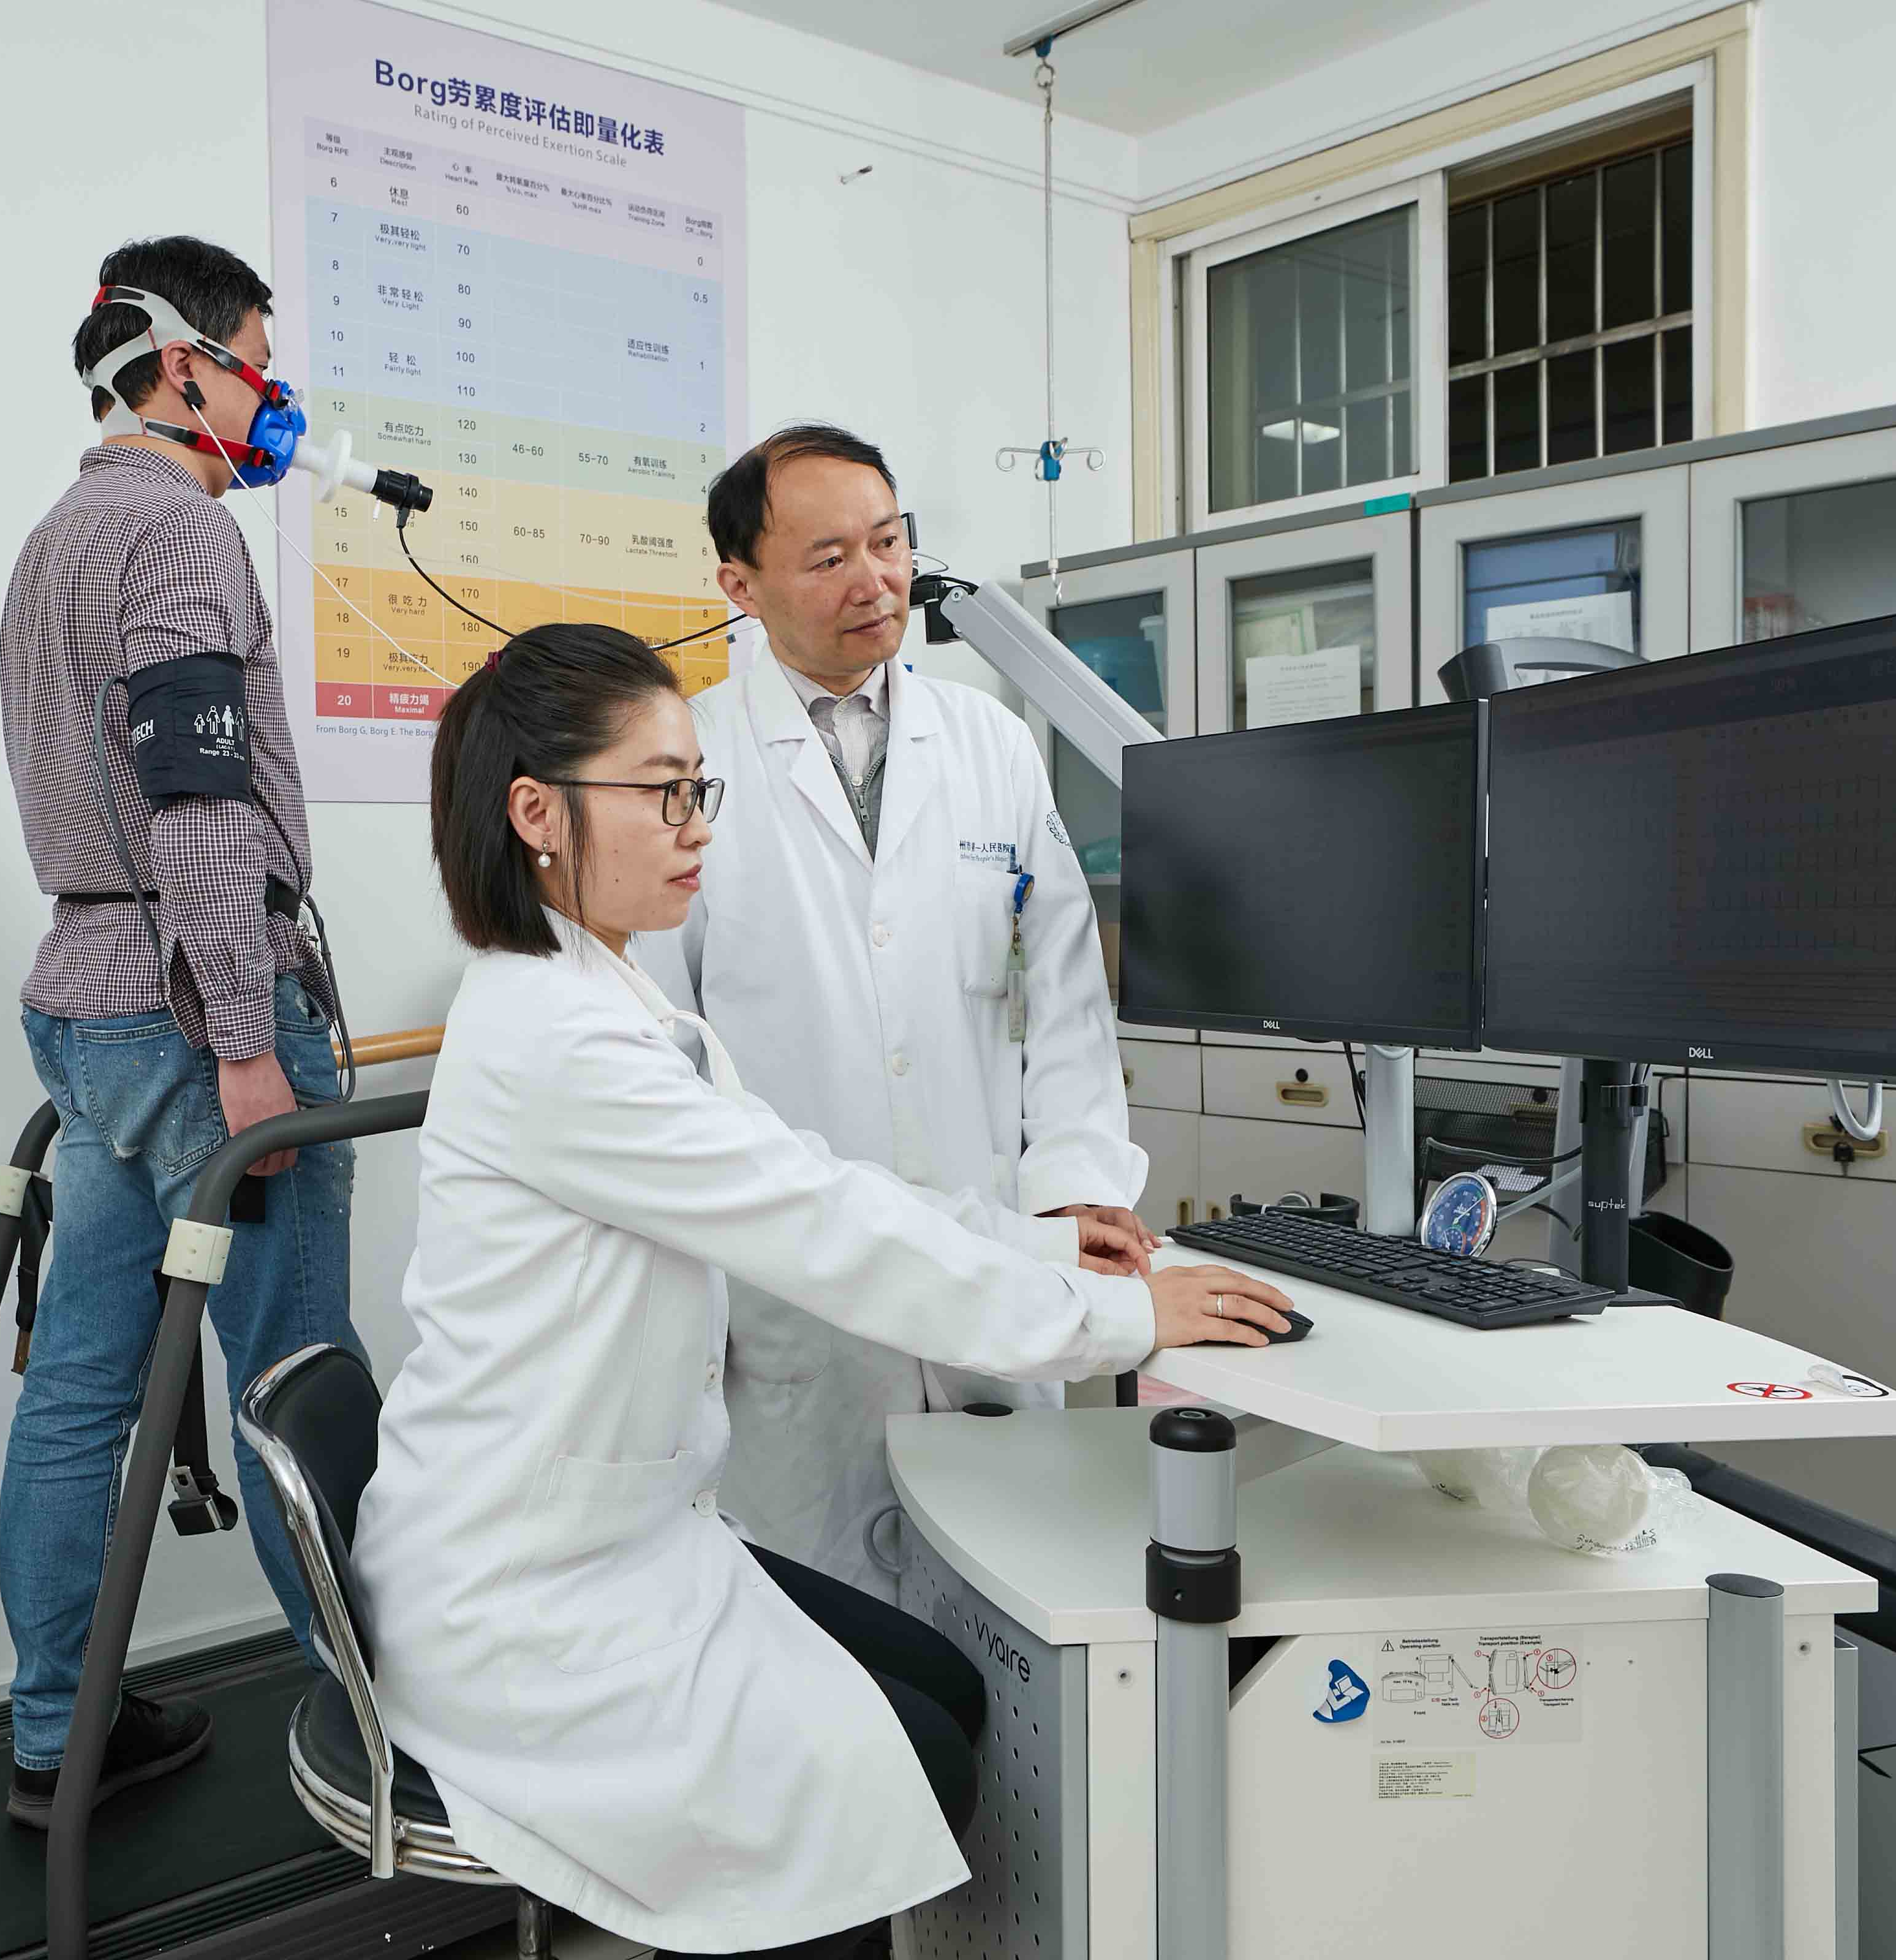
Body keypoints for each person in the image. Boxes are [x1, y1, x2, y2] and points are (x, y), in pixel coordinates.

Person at [352, 624, 1288, 1959]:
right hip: (534, 1594)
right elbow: (826, 1230)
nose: (698, 825)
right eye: (662, 792)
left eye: (700, 788)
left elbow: (815, 1175)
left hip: (621, 1537)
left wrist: (1039, 1248)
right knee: (904, 1767)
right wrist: (1122, 1323)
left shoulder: (613, 996)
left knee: (948, 1693)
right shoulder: (561, 1040)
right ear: (536, 814)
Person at [640, 423, 1152, 1608]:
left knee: (1016, 1602)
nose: (875, 580)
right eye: (828, 558)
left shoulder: (990, 744)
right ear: (739, 585)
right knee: (825, 1617)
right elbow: (664, 1038)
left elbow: (1063, 994)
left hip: (992, 1248)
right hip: (797, 1297)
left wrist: (1075, 1183)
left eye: (889, 542)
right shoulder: (689, 759)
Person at [0, 235, 361, 1829]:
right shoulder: (181, 534)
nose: (275, 399)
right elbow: (199, 804)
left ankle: (52, 1734)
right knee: (294, 1375)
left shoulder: (52, 542)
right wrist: (244, 1038)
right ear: (185, 365)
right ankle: (395, 1724)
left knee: (81, 1381)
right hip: (197, 1019)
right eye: (260, 367)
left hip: (85, 1010)